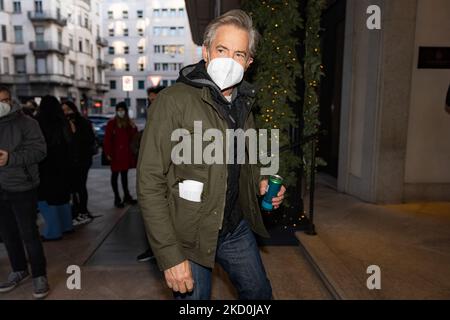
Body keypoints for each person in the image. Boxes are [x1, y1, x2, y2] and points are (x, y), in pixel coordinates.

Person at [137, 10, 286, 300]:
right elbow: (149, 182)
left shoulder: (244, 102)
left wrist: (261, 182)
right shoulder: (172, 102)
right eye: (222, 50)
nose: (230, 61)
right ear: (206, 52)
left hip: (235, 227)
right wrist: (169, 255)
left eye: (239, 54)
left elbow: (248, 158)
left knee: (260, 295)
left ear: (249, 62)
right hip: (189, 235)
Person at [0, 86, 50, 299]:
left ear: (11, 101)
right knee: (7, 233)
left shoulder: (27, 123)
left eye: (4, 100)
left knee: (29, 233)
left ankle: (40, 275)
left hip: (22, 186)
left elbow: (40, 151)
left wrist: (11, 158)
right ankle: (19, 269)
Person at [36, 95, 74, 240]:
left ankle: (53, 231)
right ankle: (66, 226)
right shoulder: (63, 121)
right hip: (63, 165)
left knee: (45, 198)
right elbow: (70, 142)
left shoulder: (39, 121)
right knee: (62, 197)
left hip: (45, 166)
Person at [135, 86, 165, 263]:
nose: (151, 103)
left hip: (167, 174)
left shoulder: (169, 114)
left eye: (154, 100)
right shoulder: (151, 116)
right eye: (149, 100)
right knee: (151, 213)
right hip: (152, 172)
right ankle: (153, 249)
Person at [62, 100, 96, 226]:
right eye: (63, 110)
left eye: (68, 109)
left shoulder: (84, 123)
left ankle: (83, 211)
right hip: (69, 161)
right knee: (73, 188)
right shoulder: (63, 124)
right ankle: (76, 211)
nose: (66, 112)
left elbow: (89, 140)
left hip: (82, 160)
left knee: (81, 186)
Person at [103, 102, 138, 208]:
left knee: (124, 176)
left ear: (125, 111)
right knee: (114, 176)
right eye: (118, 110)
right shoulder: (112, 123)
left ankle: (126, 196)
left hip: (125, 155)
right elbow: (107, 140)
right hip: (115, 155)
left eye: (122, 110)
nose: (120, 112)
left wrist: (133, 127)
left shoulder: (128, 123)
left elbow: (133, 137)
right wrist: (108, 153)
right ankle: (117, 198)